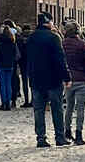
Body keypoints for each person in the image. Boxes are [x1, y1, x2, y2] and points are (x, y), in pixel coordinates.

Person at [24, 12, 70, 147]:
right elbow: (60, 59)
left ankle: (41, 138)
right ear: (48, 22)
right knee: (57, 109)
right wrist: (66, 77)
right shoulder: (54, 38)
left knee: (38, 110)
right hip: (53, 79)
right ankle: (59, 137)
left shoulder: (31, 38)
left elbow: (27, 58)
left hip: (36, 79)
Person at [61, 21, 85, 145]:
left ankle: (67, 131)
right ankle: (79, 133)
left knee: (69, 106)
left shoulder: (62, 44)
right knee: (80, 109)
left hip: (68, 80)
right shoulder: (83, 44)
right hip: (81, 79)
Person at [0, 23, 19, 110]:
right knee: (8, 84)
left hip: (1, 64)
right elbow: (15, 55)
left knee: (2, 85)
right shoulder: (12, 41)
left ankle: (3, 103)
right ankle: (8, 103)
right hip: (10, 65)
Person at [16, 24, 32, 106]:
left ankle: (26, 100)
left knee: (25, 82)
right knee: (32, 82)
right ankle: (33, 100)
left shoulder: (19, 38)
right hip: (32, 62)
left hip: (22, 62)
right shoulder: (33, 38)